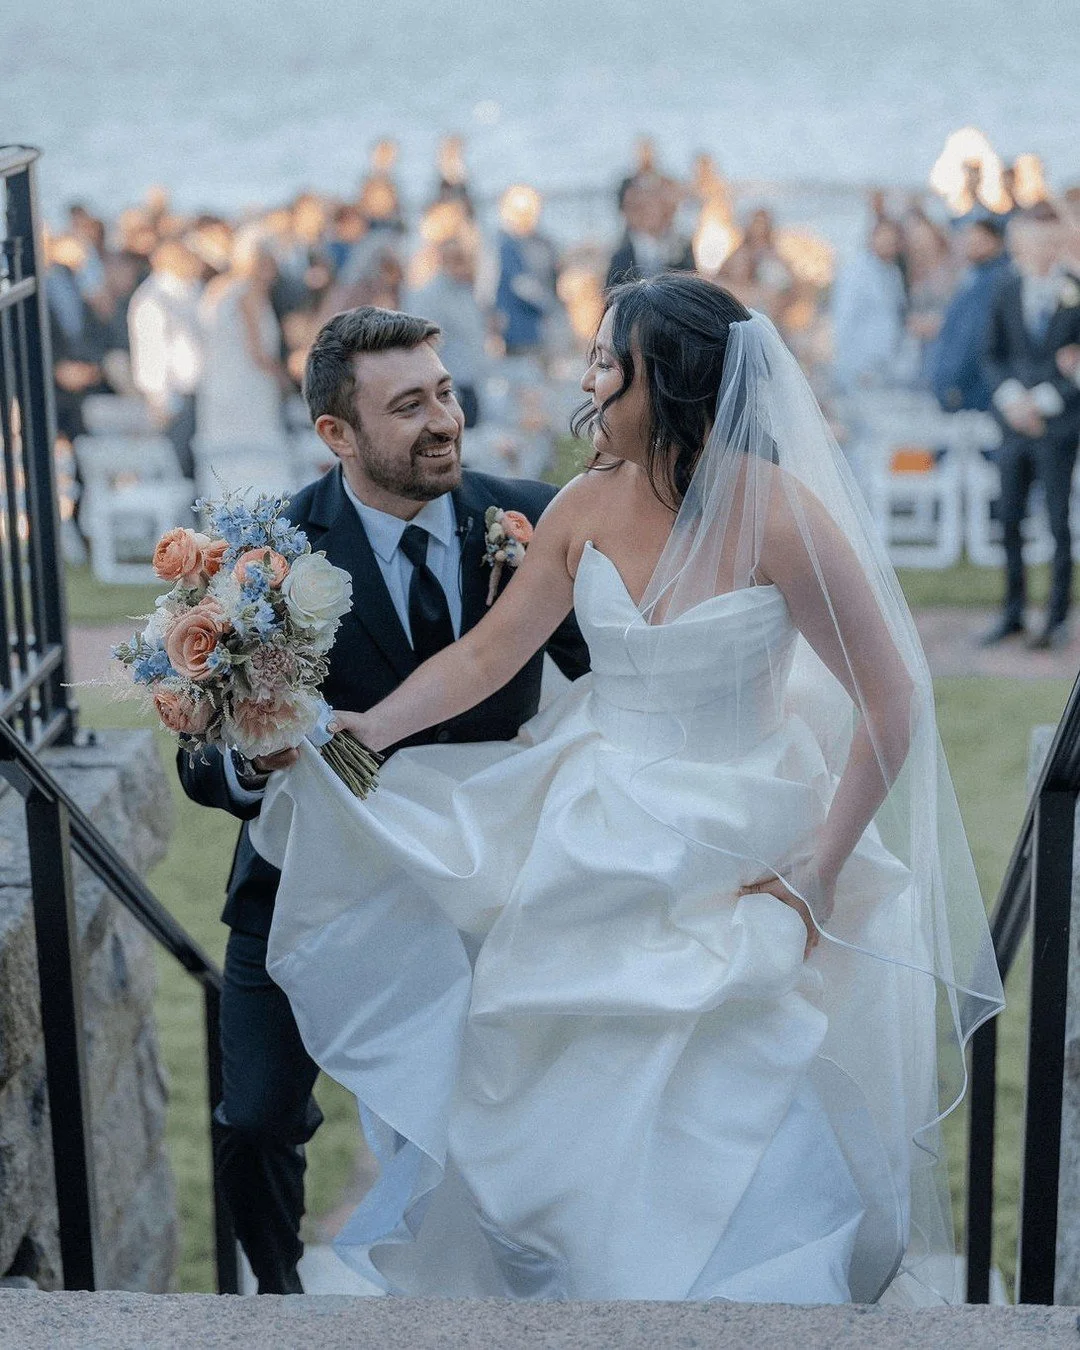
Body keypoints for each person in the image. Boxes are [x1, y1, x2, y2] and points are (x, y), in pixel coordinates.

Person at [252, 276, 1003, 1304]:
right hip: (597, 829)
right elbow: (485, 657)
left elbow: (889, 699)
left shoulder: (779, 513)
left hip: (749, 836)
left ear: (674, 381)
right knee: (557, 1084)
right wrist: (372, 727)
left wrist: (816, 875)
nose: (590, 376)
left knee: (749, 1090)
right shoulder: (583, 503)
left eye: (611, 361)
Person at [177, 306, 590, 1294]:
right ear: (337, 434)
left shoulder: (528, 518)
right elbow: (201, 761)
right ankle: (274, 1299)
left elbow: (615, 673)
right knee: (255, 1116)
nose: (443, 419)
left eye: (444, 393)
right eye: (408, 407)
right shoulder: (269, 553)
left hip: (484, 892)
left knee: (503, 1124)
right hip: (308, 885)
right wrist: (249, 762)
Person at [981, 210, 1080, 648]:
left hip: (1058, 426)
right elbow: (991, 354)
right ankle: (1013, 611)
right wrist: (1011, 399)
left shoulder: (1074, 290)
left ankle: (1056, 616)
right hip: (1013, 424)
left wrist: (1041, 400)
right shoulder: (1005, 289)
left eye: (1046, 241)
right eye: (1031, 241)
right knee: (1010, 518)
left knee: (1058, 521)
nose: (1038, 250)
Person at [197, 231, 290, 447]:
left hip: (216, 387)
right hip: (248, 392)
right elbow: (257, 352)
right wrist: (285, 380)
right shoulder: (248, 293)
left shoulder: (216, 287)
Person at [128, 240, 204, 478]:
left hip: (199, 393)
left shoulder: (192, 290)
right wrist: (162, 400)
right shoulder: (153, 300)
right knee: (179, 466)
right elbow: (151, 355)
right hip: (176, 400)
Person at [927, 217, 1011, 412]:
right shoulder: (976, 277)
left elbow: (975, 337)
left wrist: (953, 383)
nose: (970, 246)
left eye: (978, 241)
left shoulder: (993, 282)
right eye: (969, 240)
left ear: (996, 242)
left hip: (972, 390)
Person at [407, 236, 488, 428]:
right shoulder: (429, 296)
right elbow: (425, 346)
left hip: (470, 385)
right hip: (448, 389)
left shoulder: (466, 293)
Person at [830, 219, 908, 392]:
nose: (888, 244)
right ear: (872, 238)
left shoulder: (893, 273)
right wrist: (851, 363)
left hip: (886, 364)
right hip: (859, 364)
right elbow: (844, 318)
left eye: (893, 240)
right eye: (884, 238)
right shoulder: (855, 272)